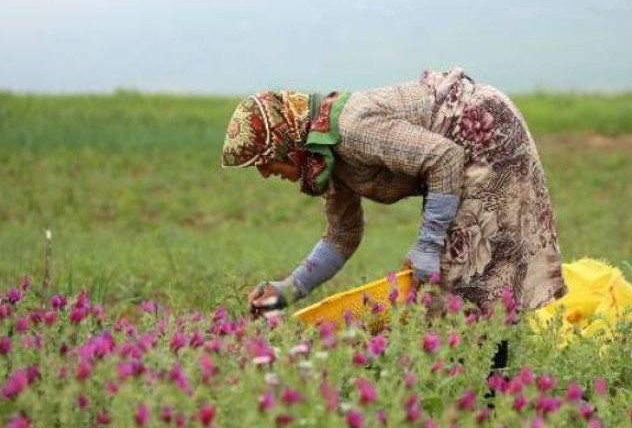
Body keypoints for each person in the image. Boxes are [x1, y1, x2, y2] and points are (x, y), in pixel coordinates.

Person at [221, 67, 566, 320]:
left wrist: (428, 245)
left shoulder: (351, 130)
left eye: (265, 163)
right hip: (460, 149)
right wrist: (289, 289)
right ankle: (484, 391)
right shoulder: (325, 156)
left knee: (471, 281)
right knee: (450, 292)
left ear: (286, 145)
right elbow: (342, 236)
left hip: (483, 132)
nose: (266, 174)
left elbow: (445, 158)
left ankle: (495, 394)